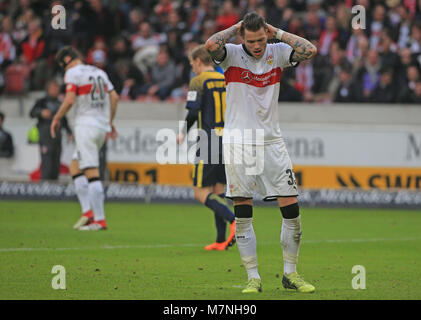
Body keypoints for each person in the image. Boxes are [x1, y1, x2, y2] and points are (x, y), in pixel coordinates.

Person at [205, 12, 317, 293]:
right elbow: (209, 45)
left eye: (261, 39)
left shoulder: (277, 52)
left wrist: (277, 32)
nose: (257, 46)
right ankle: (253, 277)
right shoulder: (230, 54)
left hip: (272, 143)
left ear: (266, 35)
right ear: (243, 37)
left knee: (292, 211)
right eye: (252, 40)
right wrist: (235, 27)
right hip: (239, 143)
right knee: (243, 214)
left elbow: (310, 50)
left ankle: (290, 274)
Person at [50, 46, 119, 231]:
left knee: (91, 172)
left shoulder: (72, 73)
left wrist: (57, 117)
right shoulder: (99, 71)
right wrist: (109, 122)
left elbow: (70, 99)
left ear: (66, 61)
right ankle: (87, 212)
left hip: (85, 126)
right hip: (100, 127)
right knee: (75, 166)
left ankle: (99, 219)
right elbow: (115, 97)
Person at [176, 44, 236, 251]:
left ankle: (234, 220)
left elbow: (193, 112)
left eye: (192, 63)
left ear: (199, 62)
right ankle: (221, 240)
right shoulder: (225, 78)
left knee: (200, 192)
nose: (192, 67)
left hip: (208, 139)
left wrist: (182, 132)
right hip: (226, 139)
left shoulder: (198, 81)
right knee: (218, 190)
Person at [30, 79, 72, 180]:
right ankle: (45, 187)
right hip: (46, 136)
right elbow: (31, 113)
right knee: (47, 163)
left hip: (57, 137)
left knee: (56, 163)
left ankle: (54, 188)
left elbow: (64, 120)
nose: (55, 90)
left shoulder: (60, 103)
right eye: (53, 88)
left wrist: (69, 132)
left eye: (57, 88)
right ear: (48, 89)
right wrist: (41, 112)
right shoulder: (41, 102)